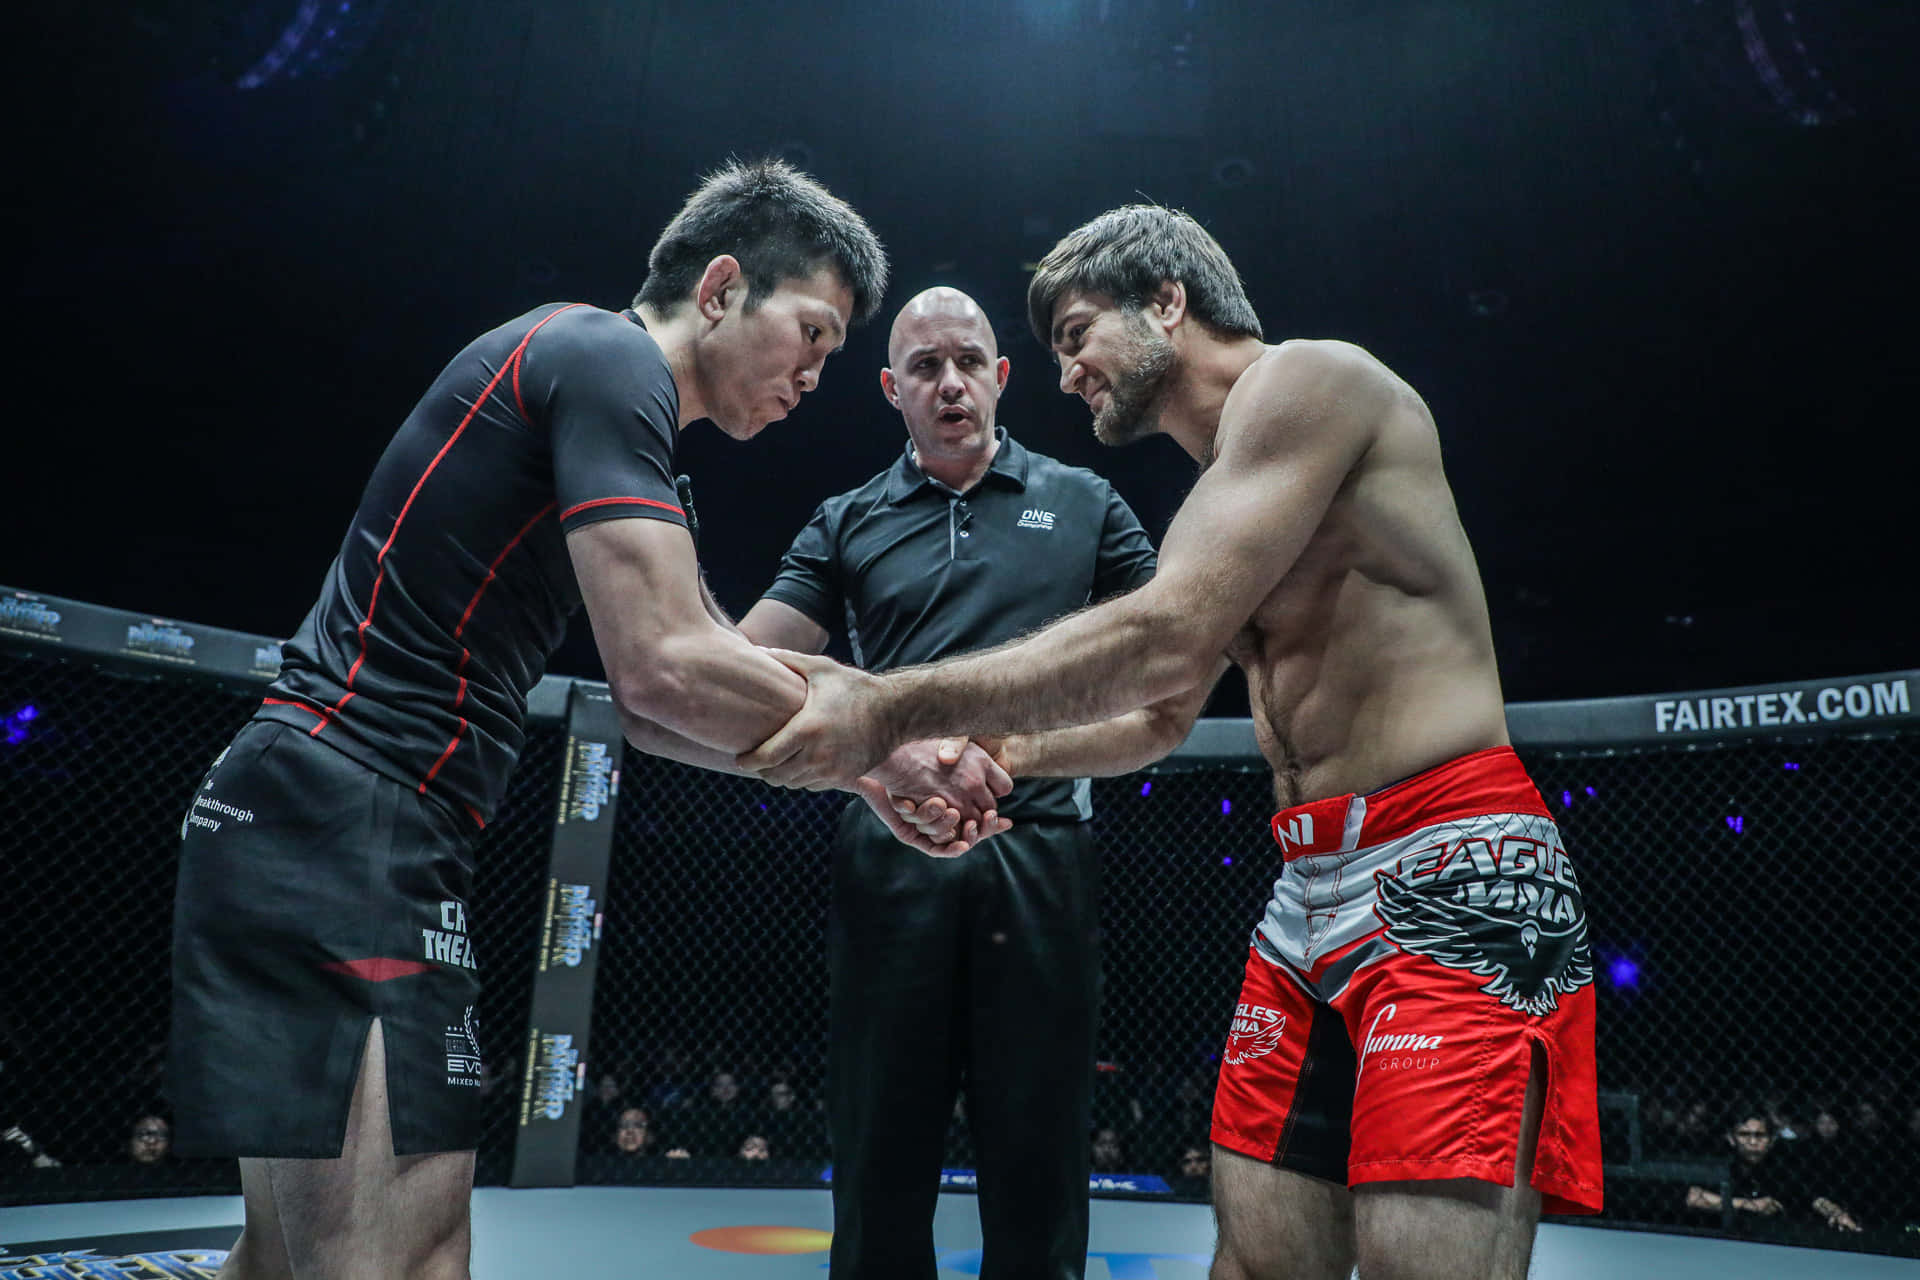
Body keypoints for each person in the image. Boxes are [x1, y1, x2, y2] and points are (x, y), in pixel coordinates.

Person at [740, 205, 1606, 1280]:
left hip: (1448, 860)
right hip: (1310, 884)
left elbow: (1158, 640)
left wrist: (890, 710)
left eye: (1074, 335)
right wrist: (995, 757)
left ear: (1166, 301)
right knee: (1253, 1258)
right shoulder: (1227, 491)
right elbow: (1159, 719)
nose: (1065, 376)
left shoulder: (1313, 381)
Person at [167, 157, 944, 1279]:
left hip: (358, 823)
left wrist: (865, 769)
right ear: (721, 287)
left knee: (292, 1264)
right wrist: (887, 725)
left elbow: (678, 701)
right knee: (398, 1261)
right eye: (812, 333)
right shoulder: (602, 355)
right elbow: (667, 667)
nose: (815, 375)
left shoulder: (631, 441)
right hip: (338, 809)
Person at [733, 286, 1181, 1280]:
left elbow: (1170, 666)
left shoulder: (1087, 502)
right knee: (880, 1151)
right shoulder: (845, 518)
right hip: (889, 852)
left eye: (969, 361)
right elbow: (751, 662)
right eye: (927, 367)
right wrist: (865, 737)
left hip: (1040, 849)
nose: (951, 384)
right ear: (893, 388)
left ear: (1002, 375)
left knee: (1040, 1157)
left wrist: (1010, 746)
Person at [1684, 1110, 1860, 1235]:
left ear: (1770, 1141)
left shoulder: (1782, 1167)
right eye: (1744, 1135)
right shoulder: (1721, 1162)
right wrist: (1750, 1205)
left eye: (1760, 1135)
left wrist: (1836, 1213)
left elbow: (1813, 1198)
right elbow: (1694, 1198)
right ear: (1731, 1139)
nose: (1752, 1141)